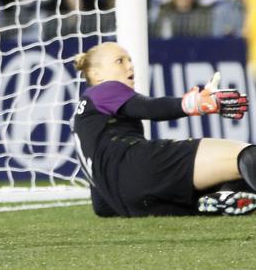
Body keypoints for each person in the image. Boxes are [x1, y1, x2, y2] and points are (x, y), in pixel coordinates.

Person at [72, 42, 254, 217]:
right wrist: (195, 103)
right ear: (96, 75)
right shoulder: (102, 90)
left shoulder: (85, 119)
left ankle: (216, 199)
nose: (130, 66)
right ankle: (220, 194)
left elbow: (101, 207)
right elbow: (149, 108)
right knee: (246, 156)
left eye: (129, 60)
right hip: (140, 167)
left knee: (228, 176)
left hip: (129, 203)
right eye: (119, 61)